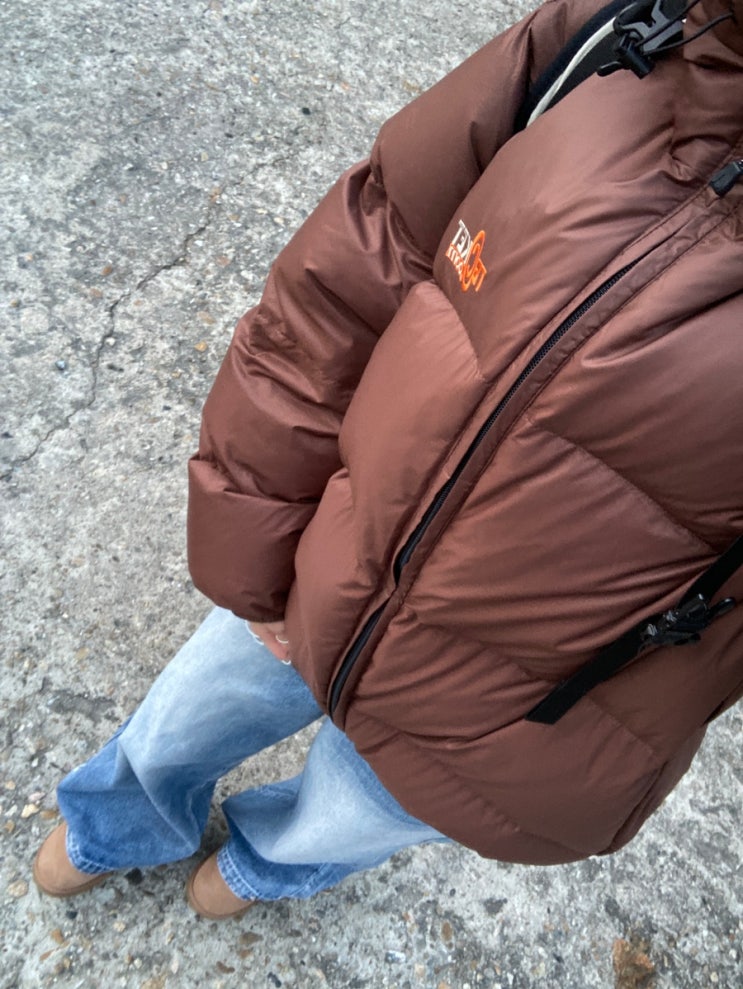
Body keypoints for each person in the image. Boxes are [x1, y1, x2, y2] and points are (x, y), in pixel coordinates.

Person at [34, 0, 743, 919]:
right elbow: (368, 252)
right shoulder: (638, 31)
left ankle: (270, 863)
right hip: (334, 542)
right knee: (203, 696)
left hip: (531, 696)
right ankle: (125, 811)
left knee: (365, 801)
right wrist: (256, 530)